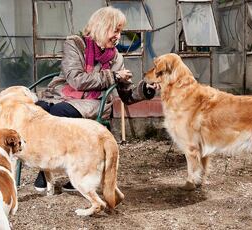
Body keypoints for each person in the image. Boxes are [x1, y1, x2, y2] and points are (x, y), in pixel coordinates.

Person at [33, 6, 160, 192]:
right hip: (61, 95)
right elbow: (75, 79)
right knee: (37, 111)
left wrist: (146, 89)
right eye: (115, 30)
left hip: (91, 105)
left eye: (120, 31)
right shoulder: (75, 44)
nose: (118, 36)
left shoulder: (116, 58)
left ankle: (53, 173)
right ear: (101, 26)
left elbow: (127, 95)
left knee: (59, 114)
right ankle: (49, 169)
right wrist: (113, 76)